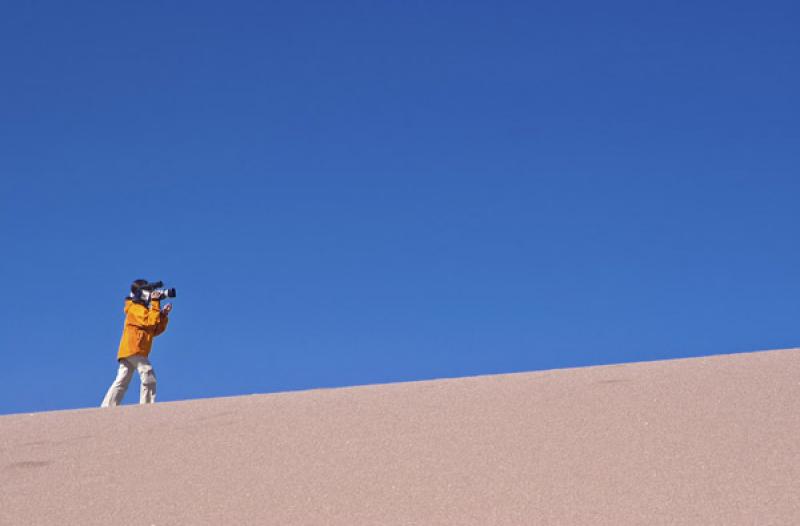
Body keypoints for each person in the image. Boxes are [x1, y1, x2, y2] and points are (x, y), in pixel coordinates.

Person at [101, 279, 173, 407]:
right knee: (148, 374)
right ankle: (146, 406)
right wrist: (155, 303)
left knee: (122, 380)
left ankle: (107, 406)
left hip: (131, 350)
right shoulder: (134, 308)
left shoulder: (142, 309)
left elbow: (154, 330)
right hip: (134, 349)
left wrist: (163, 315)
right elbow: (149, 321)